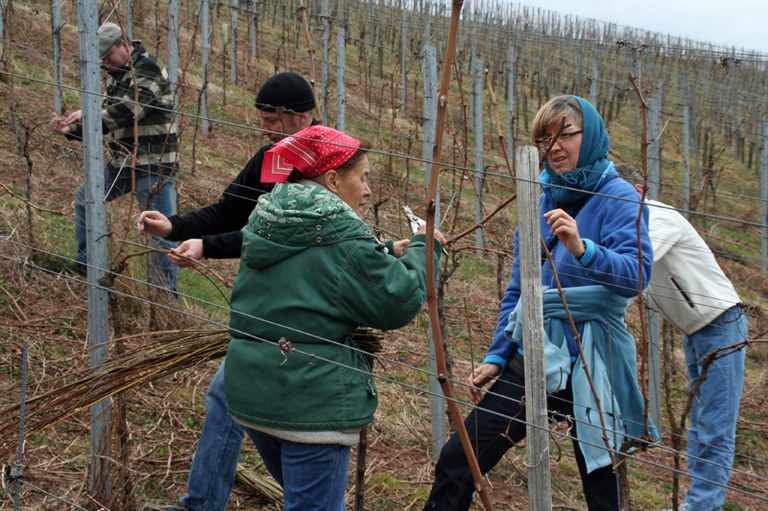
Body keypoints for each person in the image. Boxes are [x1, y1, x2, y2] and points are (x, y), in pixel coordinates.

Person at [423, 95, 657, 511]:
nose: (555, 147)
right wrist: (499, 354)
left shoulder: (620, 196)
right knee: (459, 460)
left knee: (602, 489)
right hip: (539, 351)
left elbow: (636, 276)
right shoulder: (541, 195)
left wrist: (582, 248)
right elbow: (521, 288)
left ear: (591, 137)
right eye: (544, 138)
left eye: (566, 134)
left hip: (592, 358)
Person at [223, 125, 445, 511]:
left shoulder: (272, 221)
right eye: (363, 178)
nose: (369, 189)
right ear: (331, 179)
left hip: (256, 395)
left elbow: (319, 273)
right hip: (308, 404)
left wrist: (382, 252)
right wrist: (427, 248)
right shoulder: (340, 239)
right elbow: (399, 300)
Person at [138, 72, 318, 511]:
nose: (264, 128)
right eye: (262, 119)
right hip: (267, 300)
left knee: (284, 421)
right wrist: (175, 226)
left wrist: (207, 248)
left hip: (308, 305)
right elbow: (235, 212)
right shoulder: (277, 157)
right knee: (228, 396)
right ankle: (202, 504)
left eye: (272, 119)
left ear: (299, 116)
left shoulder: (322, 164)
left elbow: (280, 235)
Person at [616, 163, 748, 511]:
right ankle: (700, 503)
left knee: (715, 428)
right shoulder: (628, 224)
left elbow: (635, 267)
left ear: (640, 191)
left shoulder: (659, 218)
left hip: (722, 326)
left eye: (621, 194)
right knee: (702, 426)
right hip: (695, 330)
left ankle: (703, 506)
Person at [50, 21, 179, 293]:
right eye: (103, 58)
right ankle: (86, 264)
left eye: (109, 55)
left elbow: (128, 110)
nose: (106, 62)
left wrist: (87, 114)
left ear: (123, 44)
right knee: (86, 198)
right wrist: (71, 129)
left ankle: (165, 297)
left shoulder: (148, 68)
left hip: (152, 165)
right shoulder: (116, 72)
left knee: (159, 230)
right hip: (122, 163)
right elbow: (106, 119)